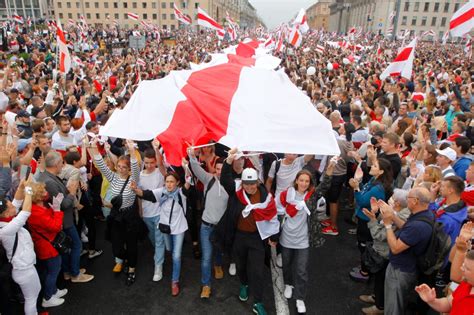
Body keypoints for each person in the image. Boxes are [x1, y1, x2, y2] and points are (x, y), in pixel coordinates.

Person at [216, 148, 279, 315]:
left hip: (257, 238)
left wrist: (274, 236)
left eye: (252, 183)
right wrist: (229, 160)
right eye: (247, 183)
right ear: (242, 183)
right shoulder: (236, 191)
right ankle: (244, 284)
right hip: (239, 237)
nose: (250, 187)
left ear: (257, 182)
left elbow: (272, 217)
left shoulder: (266, 197)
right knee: (241, 266)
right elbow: (224, 179)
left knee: (258, 271)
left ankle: (258, 302)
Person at [279, 159, 336, 314]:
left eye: (307, 181)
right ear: (296, 181)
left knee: (302, 270)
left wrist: (330, 168)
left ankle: (300, 298)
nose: (304, 183)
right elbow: (278, 213)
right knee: (286, 264)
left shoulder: (312, 196)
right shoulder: (286, 195)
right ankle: (288, 284)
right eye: (301, 180)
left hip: (303, 239)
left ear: (309, 183)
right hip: (286, 238)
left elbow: (324, 185)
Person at [36, 150, 94, 283]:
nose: (63, 165)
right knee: (76, 245)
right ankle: (75, 274)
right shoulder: (49, 181)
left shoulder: (47, 176)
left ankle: (69, 271)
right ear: (56, 164)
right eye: (61, 163)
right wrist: (72, 193)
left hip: (62, 220)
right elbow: (63, 205)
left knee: (68, 247)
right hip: (64, 220)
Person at [89, 138, 139, 286]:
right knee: (117, 246)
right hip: (116, 216)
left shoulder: (133, 179)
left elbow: (136, 166)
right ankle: (125, 259)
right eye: (119, 166)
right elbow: (101, 165)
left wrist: (131, 150)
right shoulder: (113, 177)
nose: (121, 169)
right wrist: (94, 148)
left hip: (129, 216)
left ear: (129, 169)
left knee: (131, 244)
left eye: (124, 167)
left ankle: (131, 268)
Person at [132, 171, 190, 296]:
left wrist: (188, 164)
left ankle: (174, 281)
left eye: (172, 182)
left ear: (177, 183)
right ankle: (173, 258)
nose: (169, 184)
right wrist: (135, 189)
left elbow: (188, 182)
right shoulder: (161, 192)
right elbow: (145, 194)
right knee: (169, 249)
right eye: (167, 181)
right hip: (165, 228)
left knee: (176, 256)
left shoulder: (181, 193)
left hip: (179, 228)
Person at [379, 187, 434, 314]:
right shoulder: (425, 214)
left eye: (408, 198)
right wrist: (392, 216)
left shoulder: (417, 226)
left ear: (415, 201)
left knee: (394, 307)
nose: (405, 200)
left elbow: (395, 248)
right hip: (408, 266)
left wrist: (387, 224)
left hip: (400, 270)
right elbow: (406, 228)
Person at [358, 189, 411, 314]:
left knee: (381, 280)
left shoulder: (398, 217)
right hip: (383, 251)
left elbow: (378, 234)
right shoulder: (394, 212)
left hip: (385, 254)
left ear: (397, 203)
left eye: (392, 198)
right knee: (379, 280)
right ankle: (376, 297)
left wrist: (372, 220)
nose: (389, 199)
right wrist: (376, 213)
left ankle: (379, 306)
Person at [188, 148, 229, 299]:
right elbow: (196, 168)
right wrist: (192, 156)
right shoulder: (208, 179)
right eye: (217, 169)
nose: (219, 172)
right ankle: (206, 285)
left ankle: (218, 265)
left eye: (222, 169)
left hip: (221, 227)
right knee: (206, 257)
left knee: (218, 250)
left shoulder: (231, 185)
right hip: (206, 226)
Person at [0, 176, 40, 315]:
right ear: (5, 213)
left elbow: (17, 201)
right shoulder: (6, 230)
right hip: (24, 269)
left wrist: (22, 187)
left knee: (33, 295)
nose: (13, 204)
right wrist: (29, 190)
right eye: (9, 205)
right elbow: (25, 211)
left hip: (24, 267)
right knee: (31, 299)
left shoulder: (6, 220)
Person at [349, 158, 393, 282]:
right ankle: (365, 266)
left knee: (364, 244)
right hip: (365, 218)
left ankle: (365, 271)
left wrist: (356, 188)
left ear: (381, 171)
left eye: (374, 166)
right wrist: (359, 183)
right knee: (363, 243)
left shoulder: (378, 188)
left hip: (366, 219)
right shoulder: (375, 180)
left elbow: (362, 201)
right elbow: (365, 191)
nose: (371, 167)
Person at [26, 181, 67, 308]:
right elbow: (55, 226)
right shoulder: (36, 212)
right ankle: (48, 297)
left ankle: (53, 291)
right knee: (53, 271)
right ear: (37, 197)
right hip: (47, 247)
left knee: (54, 269)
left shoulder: (37, 207)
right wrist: (58, 211)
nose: (46, 192)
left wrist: (53, 210)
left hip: (48, 243)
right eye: (43, 191)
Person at [138, 145, 166, 282]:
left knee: (159, 241)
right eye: (146, 162)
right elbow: (138, 195)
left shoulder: (160, 172)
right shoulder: (139, 176)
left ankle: (158, 266)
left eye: (152, 162)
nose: (149, 165)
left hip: (160, 212)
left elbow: (161, 164)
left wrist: (156, 149)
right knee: (154, 240)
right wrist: (140, 212)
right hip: (147, 213)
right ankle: (159, 255)